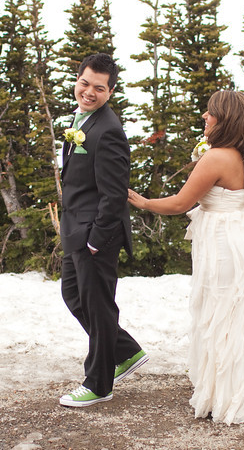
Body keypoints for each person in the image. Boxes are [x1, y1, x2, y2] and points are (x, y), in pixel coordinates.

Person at [127, 90, 244, 424]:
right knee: (231, 323)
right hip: (243, 241)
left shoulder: (217, 156)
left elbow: (180, 203)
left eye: (210, 112)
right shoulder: (241, 155)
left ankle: (226, 402)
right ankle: (225, 398)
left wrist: (144, 203)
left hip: (226, 247)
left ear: (226, 119)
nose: (205, 116)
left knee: (219, 322)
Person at [58, 53, 148, 408]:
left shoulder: (109, 130)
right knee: (73, 295)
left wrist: (97, 239)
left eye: (99, 88)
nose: (89, 92)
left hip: (94, 234)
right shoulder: (83, 119)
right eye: (84, 83)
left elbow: (114, 193)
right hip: (75, 229)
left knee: (98, 307)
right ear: (77, 80)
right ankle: (124, 351)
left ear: (110, 91)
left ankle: (98, 384)